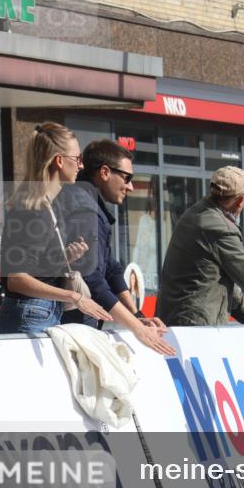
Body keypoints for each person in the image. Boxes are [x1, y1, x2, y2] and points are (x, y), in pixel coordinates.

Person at [0, 123, 112, 335]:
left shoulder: (46, 206)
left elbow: (33, 269)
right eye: (77, 158)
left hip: (38, 313)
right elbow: (16, 279)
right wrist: (74, 297)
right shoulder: (33, 210)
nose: (81, 165)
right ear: (59, 160)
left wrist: (63, 257)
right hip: (29, 315)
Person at [58, 139, 174, 356]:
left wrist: (137, 315)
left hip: (79, 321)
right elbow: (93, 279)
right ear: (104, 172)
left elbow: (111, 267)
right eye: (127, 178)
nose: (130, 186)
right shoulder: (84, 209)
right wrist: (138, 328)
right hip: (72, 324)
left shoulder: (91, 204)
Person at [155, 166, 244, 336]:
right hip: (196, 328)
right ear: (240, 200)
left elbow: (222, 281)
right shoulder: (221, 228)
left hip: (180, 321)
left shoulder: (196, 213)